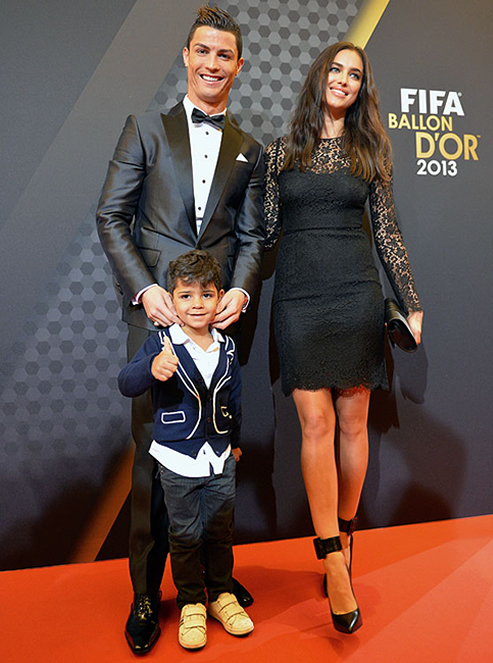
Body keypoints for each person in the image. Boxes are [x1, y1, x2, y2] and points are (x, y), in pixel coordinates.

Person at [96, 5, 264, 654]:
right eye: (203, 52)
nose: (212, 64)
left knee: (216, 455)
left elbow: (251, 236)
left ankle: (210, 578)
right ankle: (146, 592)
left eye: (225, 55)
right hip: (156, 321)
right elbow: (112, 217)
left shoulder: (251, 148)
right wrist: (146, 289)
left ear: (239, 65)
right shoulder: (143, 127)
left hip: (218, 324)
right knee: (152, 461)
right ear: (187, 56)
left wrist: (243, 288)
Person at [264, 42, 423, 634]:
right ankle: (331, 556)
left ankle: (345, 533)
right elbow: (268, 231)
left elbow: (387, 231)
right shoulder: (282, 153)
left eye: (356, 75)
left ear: (362, 88)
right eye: (337, 69)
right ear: (320, 76)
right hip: (300, 298)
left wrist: (410, 300)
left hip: (355, 294)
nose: (345, 81)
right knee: (315, 425)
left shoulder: (368, 151)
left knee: (353, 425)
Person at [117, 250, 254, 650]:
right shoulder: (162, 343)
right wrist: (151, 368)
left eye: (206, 295)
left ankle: (222, 593)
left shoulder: (226, 348)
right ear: (171, 300)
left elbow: (236, 400)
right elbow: (127, 382)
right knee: (184, 534)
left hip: (220, 458)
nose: (197, 304)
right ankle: (192, 600)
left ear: (220, 298)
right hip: (177, 461)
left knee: (220, 530)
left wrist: (236, 443)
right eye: (186, 296)